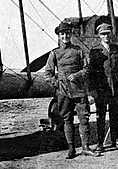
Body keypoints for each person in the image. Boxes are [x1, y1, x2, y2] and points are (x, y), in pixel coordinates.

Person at [44, 22, 100, 159]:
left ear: (71, 34)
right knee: (67, 119)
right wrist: (58, 84)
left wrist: (77, 75)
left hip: (79, 90)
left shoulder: (78, 51)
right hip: (63, 92)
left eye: (68, 33)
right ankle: (71, 149)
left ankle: (86, 147)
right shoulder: (54, 53)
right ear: (59, 36)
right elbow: (48, 73)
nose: (65, 36)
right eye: (62, 34)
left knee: (84, 118)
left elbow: (87, 69)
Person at [89, 23, 118, 152]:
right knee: (101, 116)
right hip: (102, 88)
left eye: (108, 33)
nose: (106, 36)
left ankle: (115, 140)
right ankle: (100, 143)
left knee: (115, 115)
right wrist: (93, 89)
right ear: (99, 36)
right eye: (103, 34)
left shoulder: (116, 48)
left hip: (115, 87)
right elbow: (91, 72)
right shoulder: (95, 50)